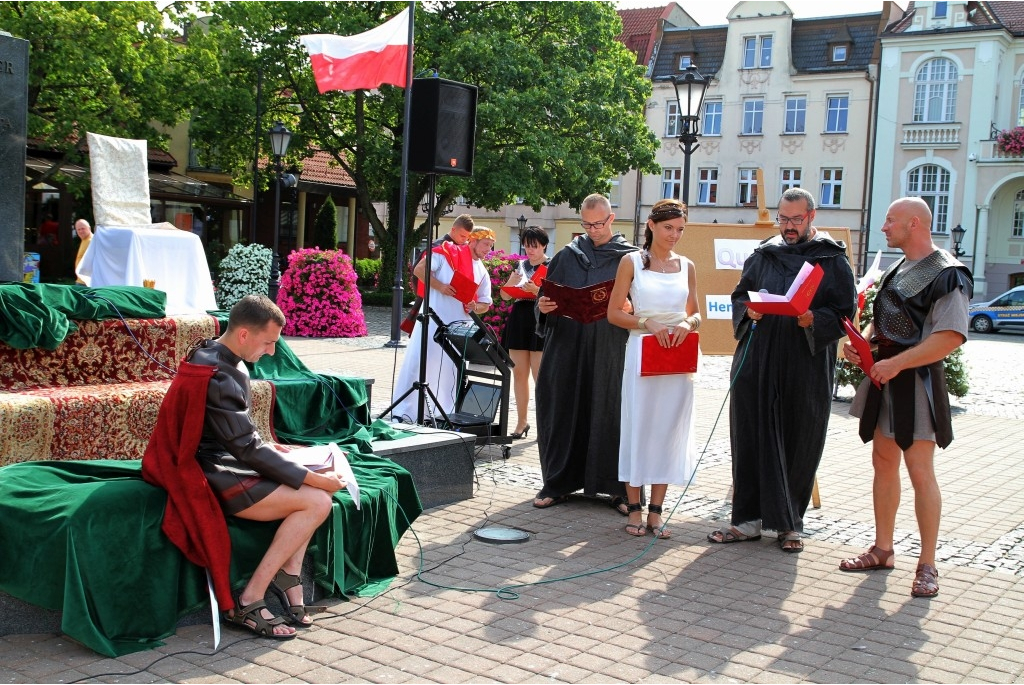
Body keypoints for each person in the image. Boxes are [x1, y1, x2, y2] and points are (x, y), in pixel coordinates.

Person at [708, 188, 856, 552]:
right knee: (751, 434)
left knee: (799, 436)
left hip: (804, 362)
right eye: (784, 219)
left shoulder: (832, 259)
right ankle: (746, 521)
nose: (789, 227)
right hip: (757, 358)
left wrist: (813, 318)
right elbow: (740, 297)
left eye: (796, 220)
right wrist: (749, 310)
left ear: (812, 216)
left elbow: (845, 313)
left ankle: (790, 524)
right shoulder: (764, 254)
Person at [190, 295, 345, 638]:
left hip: (228, 459)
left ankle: (288, 575)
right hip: (217, 472)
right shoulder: (221, 374)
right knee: (318, 499)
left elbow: (240, 437)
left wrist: (281, 451)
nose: (273, 352)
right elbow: (244, 447)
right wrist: (315, 479)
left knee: (317, 494)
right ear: (244, 335)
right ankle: (249, 598)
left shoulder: (215, 356)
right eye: (269, 342)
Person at [839, 197, 972, 598]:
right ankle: (883, 549)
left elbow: (948, 337)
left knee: (919, 470)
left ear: (914, 224)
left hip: (915, 381)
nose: (883, 227)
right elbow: (893, 327)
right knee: (883, 460)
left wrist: (897, 364)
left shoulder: (948, 272)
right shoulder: (900, 267)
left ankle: (928, 564)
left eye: (890, 220)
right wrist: (864, 345)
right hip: (886, 375)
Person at [533, 193, 637, 512]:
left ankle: (619, 490)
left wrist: (634, 307)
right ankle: (558, 483)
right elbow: (545, 296)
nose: (592, 230)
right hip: (568, 347)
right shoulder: (567, 256)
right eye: (587, 224)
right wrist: (544, 306)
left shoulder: (630, 258)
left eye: (598, 223)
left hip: (612, 349)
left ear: (611, 219)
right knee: (564, 410)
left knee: (614, 412)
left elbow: (644, 305)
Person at [607, 199, 699, 538]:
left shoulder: (687, 265)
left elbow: (696, 312)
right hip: (642, 352)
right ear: (651, 225)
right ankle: (634, 509)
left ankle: (656, 512)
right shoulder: (631, 261)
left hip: (676, 359)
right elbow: (614, 313)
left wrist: (688, 324)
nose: (674, 235)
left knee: (668, 429)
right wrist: (647, 323)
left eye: (680, 229)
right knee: (639, 426)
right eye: (668, 228)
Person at [390, 228, 494, 423]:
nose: (489, 249)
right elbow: (419, 270)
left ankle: (442, 414)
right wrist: (441, 287)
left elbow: (485, 304)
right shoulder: (446, 253)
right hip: (432, 321)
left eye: (490, 245)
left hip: (458, 329)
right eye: (486, 244)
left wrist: (475, 306)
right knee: (421, 363)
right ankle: (407, 412)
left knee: (450, 371)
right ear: (472, 241)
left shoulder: (482, 271)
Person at [499, 225, 550, 439]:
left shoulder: (552, 265)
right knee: (519, 374)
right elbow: (504, 297)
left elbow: (555, 296)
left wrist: (536, 290)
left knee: (541, 376)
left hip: (540, 319)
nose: (530, 250)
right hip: (520, 319)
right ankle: (521, 422)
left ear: (544, 245)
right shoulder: (520, 265)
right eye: (527, 246)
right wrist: (509, 285)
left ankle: (544, 425)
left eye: (534, 246)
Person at [403, 214, 475, 334]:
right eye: (462, 236)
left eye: (467, 237)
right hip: (434, 303)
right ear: (453, 229)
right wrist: (440, 286)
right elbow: (418, 272)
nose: (464, 240)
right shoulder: (437, 247)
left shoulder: (461, 248)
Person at [73, 219, 93, 285]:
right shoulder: (84, 240)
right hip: (81, 280)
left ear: (89, 228)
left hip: (86, 282)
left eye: (83, 228)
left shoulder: (91, 241)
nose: (81, 231)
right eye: (78, 229)